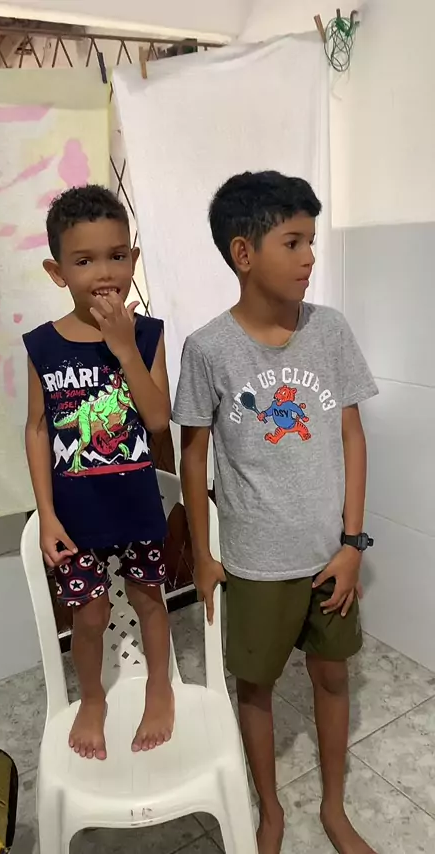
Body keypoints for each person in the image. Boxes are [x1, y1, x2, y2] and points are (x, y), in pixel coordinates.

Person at [173, 171, 378, 854]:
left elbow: (352, 435)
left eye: (311, 241)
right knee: (256, 686)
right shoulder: (208, 349)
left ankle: (335, 807)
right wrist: (204, 555)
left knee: (332, 674)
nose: (309, 257)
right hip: (256, 563)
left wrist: (352, 543)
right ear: (243, 253)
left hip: (329, 555)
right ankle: (270, 810)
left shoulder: (330, 330)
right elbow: (194, 457)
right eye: (293, 242)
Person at [24, 185, 173, 761]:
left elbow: (157, 421)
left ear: (132, 259)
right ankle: (92, 697)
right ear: (58, 272)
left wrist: (125, 348)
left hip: (136, 505)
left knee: (149, 598)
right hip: (76, 517)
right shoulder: (42, 345)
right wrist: (46, 515)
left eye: (116, 256)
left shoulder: (148, 334)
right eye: (84, 261)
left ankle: (160, 686)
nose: (104, 273)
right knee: (89, 615)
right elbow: (38, 429)